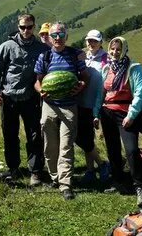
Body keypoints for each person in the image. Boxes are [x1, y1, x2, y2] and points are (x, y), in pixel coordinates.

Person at [0, 13, 49, 186]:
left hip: (31, 97)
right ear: (18, 27)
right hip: (9, 97)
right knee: (10, 134)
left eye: (29, 27)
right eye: (22, 27)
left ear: (34, 27)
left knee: (34, 135)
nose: (26, 30)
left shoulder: (41, 48)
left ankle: (36, 171)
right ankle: (14, 168)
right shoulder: (7, 46)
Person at [93, 36, 142, 207]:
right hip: (107, 113)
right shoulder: (106, 69)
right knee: (112, 149)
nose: (114, 52)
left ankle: (140, 187)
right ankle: (118, 181)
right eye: (112, 49)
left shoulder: (134, 68)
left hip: (126, 114)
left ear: (124, 49)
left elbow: (139, 92)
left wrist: (131, 115)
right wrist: (96, 114)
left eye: (118, 49)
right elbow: (100, 93)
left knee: (132, 150)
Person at [34, 22, 89, 200]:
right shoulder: (45, 56)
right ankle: (55, 177)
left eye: (61, 34)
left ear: (66, 36)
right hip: (49, 105)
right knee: (50, 146)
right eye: (54, 35)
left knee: (66, 145)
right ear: (49, 38)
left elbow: (84, 77)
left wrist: (80, 86)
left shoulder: (75, 55)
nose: (58, 38)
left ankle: (66, 184)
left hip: (69, 106)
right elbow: (37, 81)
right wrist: (40, 90)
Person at [76, 29, 110, 185]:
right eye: (89, 40)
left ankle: (99, 166)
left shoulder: (106, 59)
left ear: (101, 42)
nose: (91, 43)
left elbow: (106, 84)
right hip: (81, 102)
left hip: (95, 104)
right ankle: (92, 170)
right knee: (85, 138)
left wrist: (98, 109)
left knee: (86, 138)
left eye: (95, 41)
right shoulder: (82, 55)